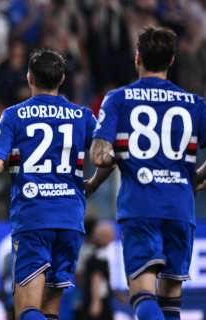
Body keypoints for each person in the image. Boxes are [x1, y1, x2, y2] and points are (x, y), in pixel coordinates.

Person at [0, 48, 109, 320]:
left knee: (27, 309)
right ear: (62, 78)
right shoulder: (82, 116)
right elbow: (108, 157)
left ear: (29, 77)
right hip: (70, 219)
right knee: (50, 309)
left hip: (34, 218)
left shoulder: (14, 115)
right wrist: (93, 184)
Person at [91, 26, 206, 320]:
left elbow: (100, 155)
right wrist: (195, 178)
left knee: (142, 294)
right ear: (171, 60)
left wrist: (99, 174)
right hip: (181, 207)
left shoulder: (118, 99)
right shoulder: (195, 104)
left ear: (137, 57)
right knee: (171, 303)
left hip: (140, 206)